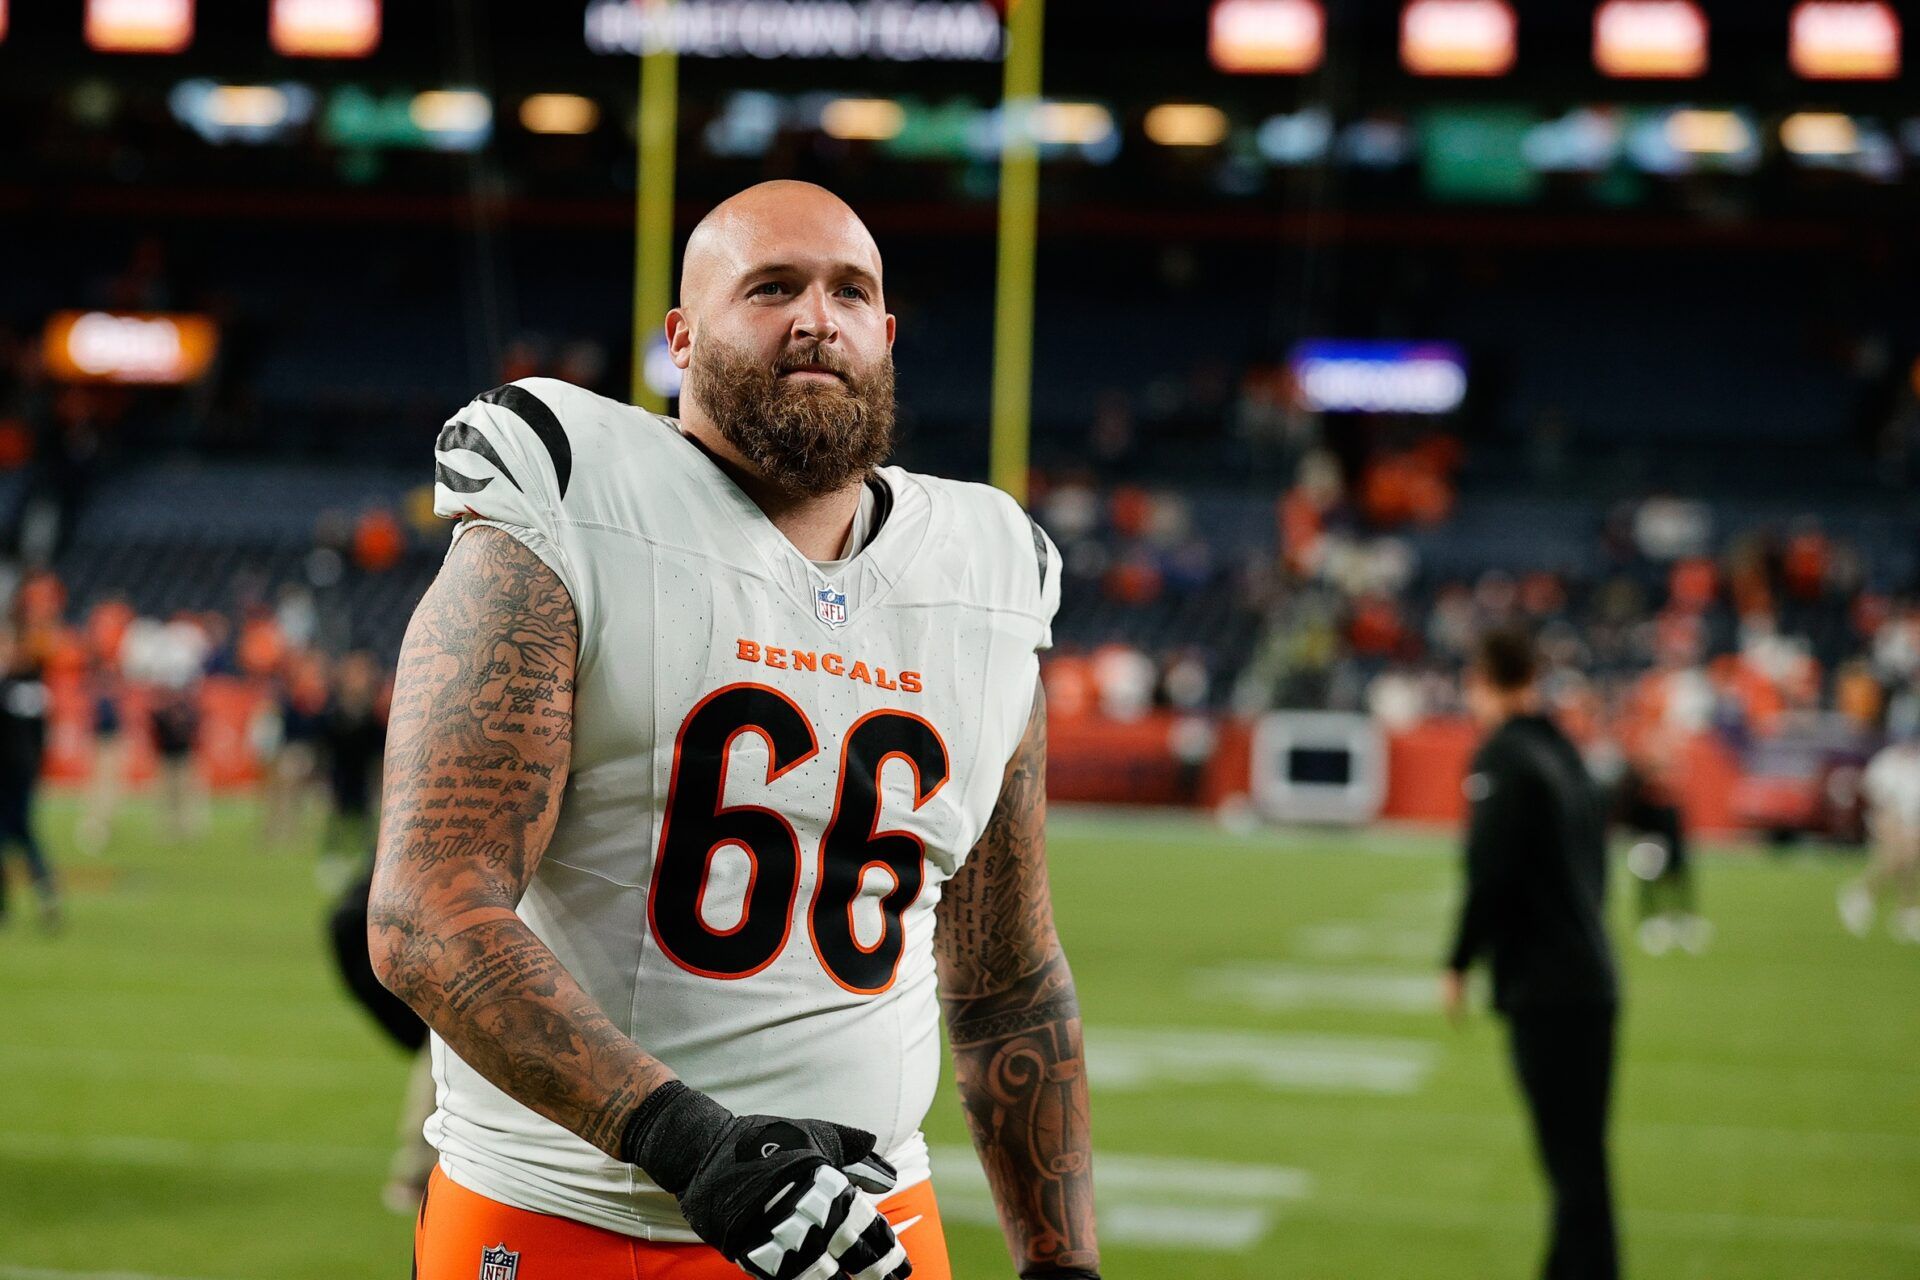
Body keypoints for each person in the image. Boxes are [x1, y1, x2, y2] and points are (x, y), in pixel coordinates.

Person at [371, 181, 1098, 1280]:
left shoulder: (986, 569)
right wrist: (696, 1146)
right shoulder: (572, 497)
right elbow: (427, 910)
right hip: (580, 1216)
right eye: (773, 287)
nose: (818, 317)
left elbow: (1007, 977)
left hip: (874, 1228)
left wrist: (1063, 1263)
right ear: (681, 337)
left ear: (886, 336)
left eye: (851, 291)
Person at [1442, 628, 1620, 1280]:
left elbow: (1489, 870)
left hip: (1548, 987)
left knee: (1572, 1170)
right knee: (1583, 1165)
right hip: (1592, 975)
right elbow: (1598, 859)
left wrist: (1459, 961)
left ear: (1481, 678)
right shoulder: (1562, 750)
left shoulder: (1504, 757)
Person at [0, 624, 59, 931]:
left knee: (23, 836)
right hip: (16, 772)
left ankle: (45, 897)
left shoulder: (25, 686)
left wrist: (35, 767)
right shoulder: (27, 687)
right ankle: (10, 906)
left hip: (16, 774)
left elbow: (40, 733)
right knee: (18, 838)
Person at [1845, 726, 1920, 942]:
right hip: (1886, 816)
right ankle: (1866, 893)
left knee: (1908, 859)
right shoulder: (1886, 762)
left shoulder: (1916, 765)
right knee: (1905, 853)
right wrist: (1890, 818)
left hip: (1911, 821)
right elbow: (1874, 793)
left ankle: (1904, 908)